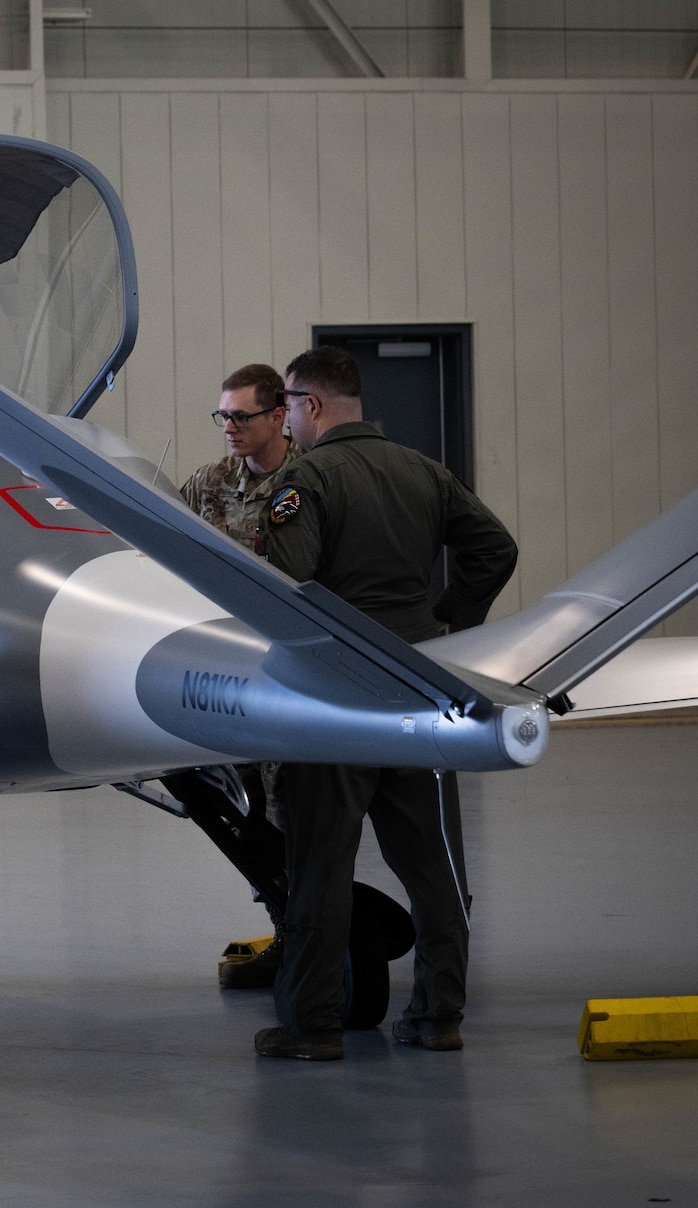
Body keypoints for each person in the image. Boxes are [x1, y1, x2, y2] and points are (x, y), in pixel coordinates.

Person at [255, 345, 517, 1061]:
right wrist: (443, 622)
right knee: (436, 867)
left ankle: (311, 1025)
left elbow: (289, 584)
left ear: (309, 405)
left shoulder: (305, 480)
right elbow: (495, 548)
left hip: (337, 701)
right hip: (420, 689)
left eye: (287, 405)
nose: (286, 419)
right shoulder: (423, 471)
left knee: (319, 866)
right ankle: (439, 1015)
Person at [167, 363, 296, 991]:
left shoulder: (308, 481)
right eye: (223, 417)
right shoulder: (208, 484)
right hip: (230, 679)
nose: (230, 429)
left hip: (294, 677)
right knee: (244, 813)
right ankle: (286, 928)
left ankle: (315, 938)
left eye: (242, 417)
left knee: (294, 811)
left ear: (279, 416)